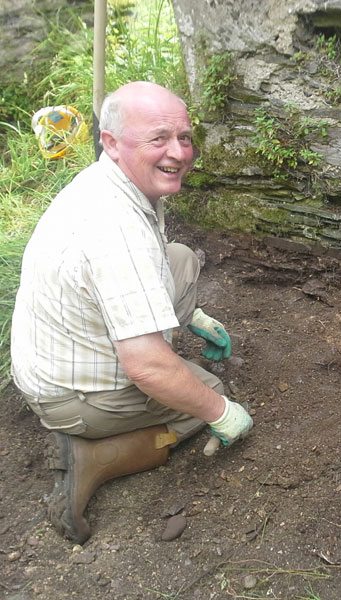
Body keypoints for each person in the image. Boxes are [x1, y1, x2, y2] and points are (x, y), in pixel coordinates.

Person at [11, 81, 253, 544]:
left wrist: (192, 315)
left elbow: (147, 272)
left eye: (183, 137)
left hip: (57, 351)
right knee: (205, 397)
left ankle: (158, 349)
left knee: (179, 257)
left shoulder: (114, 183)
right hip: (72, 394)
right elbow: (144, 365)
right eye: (158, 138)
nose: (178, 152)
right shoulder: (114, 231)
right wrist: (222, 413)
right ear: (111, 142)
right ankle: (95, 458)